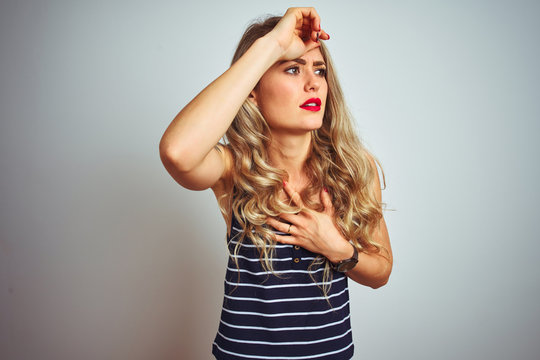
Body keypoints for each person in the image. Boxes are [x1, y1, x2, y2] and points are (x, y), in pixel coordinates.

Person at [159, 7, 393, 360]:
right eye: (293, 68)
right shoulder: (235, 167)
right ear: (252, 90)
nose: (313, 83)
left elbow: (381, 270)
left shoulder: (355, 167)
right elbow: (177, 153)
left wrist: (338, 248)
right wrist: (271, 45)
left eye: (319, 70)